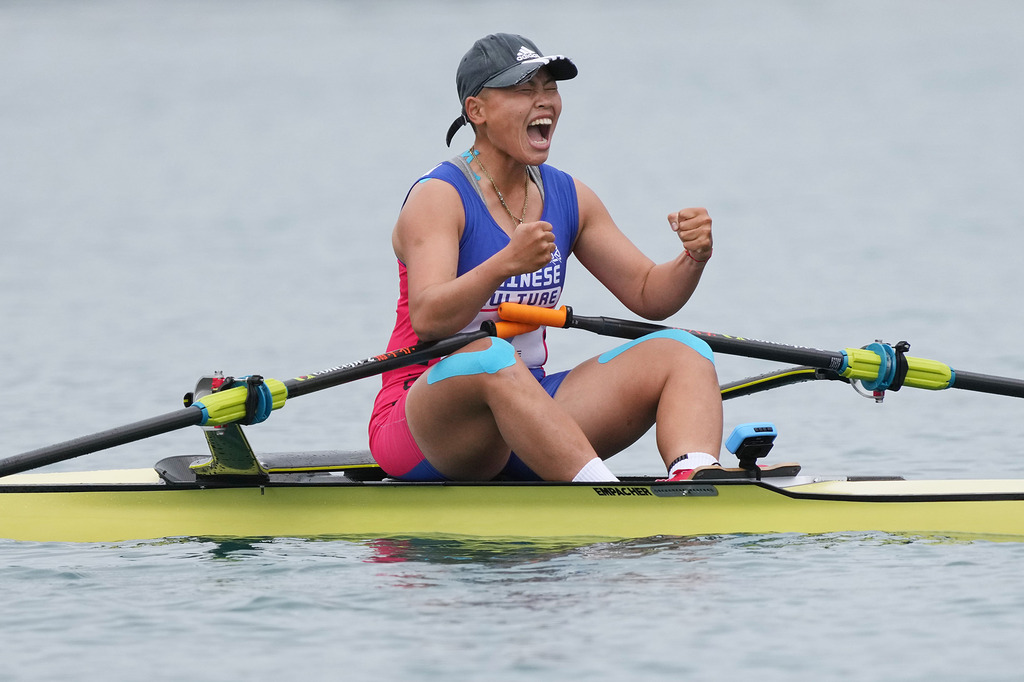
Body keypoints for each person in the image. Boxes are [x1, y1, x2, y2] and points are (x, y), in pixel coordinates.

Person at [368, 33, 722, 483]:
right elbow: (428, 318)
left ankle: (697, 476)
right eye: (523, 90)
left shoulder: (569, 195)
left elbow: (649, 294)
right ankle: (601, 493)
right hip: (424, 423)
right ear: (477, 110)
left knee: (685, 351)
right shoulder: (438, 198)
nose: (544, 102)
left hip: (527, 416)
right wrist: (504, 263)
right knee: (489, 354)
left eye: (549, 88)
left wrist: (693, 256)